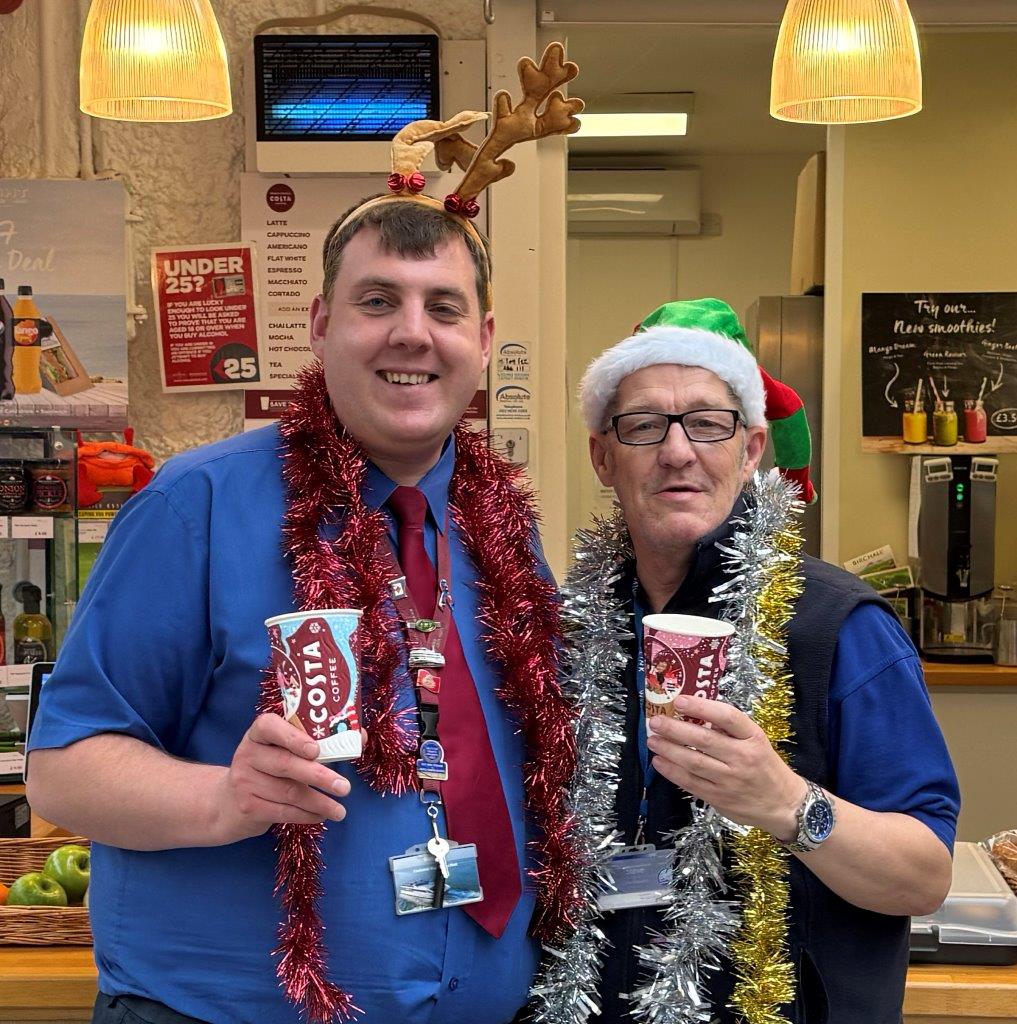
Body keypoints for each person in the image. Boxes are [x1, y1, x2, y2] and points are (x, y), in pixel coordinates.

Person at [26, 49, 584, 1024]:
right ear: (321, 326)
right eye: (378, 302)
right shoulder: (195, 507)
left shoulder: (503, 532)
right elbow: (65, 764)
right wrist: (223, 798)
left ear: (484, 342)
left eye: (443, 308)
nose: (413, 332)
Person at [570, 298, 960, 1024]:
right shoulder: (576, 626)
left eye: (707, 425)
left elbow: (923, 876)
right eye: (644, 425)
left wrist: (786, 803)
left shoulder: (838, 628)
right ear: (603, 456)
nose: (677, 452)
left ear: (750, 451)